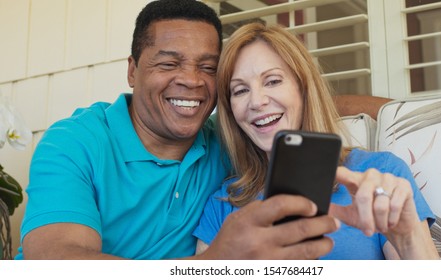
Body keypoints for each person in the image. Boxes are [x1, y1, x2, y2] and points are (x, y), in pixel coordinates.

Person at [16, 0, 339, 260]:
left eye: (208, 68)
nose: (192, 80)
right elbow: (56, 260)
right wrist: (213, 264)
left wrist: (388, 110)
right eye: (169, 64)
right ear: (133, 70)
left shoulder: (228, 137)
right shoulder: (74, 142)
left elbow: (291, 104)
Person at [193, 22, 440, 259]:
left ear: (303, 89)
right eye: (240, 90)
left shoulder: (380, 174)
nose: (256, 101)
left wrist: (409, 239)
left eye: (273, 81)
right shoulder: (223, 203)